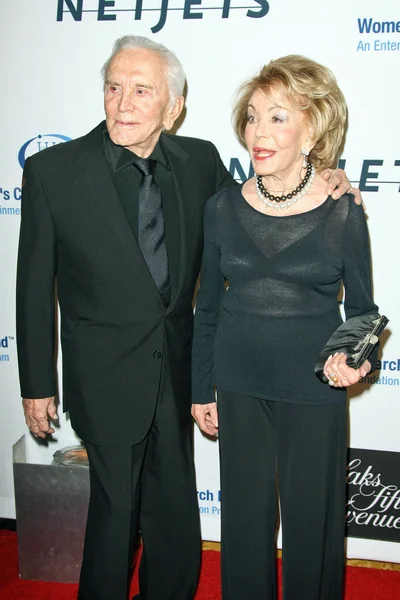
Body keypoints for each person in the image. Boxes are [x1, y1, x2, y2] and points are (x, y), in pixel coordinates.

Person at [16, 34, 357, 600]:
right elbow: (32, 286)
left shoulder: (199, 162)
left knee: (175, 513)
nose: (123, 103)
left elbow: (265, 200)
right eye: (114, 87)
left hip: (177, 376)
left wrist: (330, 178)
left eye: (141, 90)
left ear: (173, 107)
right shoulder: (54, 171)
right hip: (101, 376)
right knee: (116, 513)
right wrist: (36, 384)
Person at [191, 55, 378, 600]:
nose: (258, 132)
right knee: (244, 527)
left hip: (312, 388)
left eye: (277, 117)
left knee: (312, 527)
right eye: (252, 117)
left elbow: (363, 311)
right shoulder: (222, 207)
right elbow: (206, 306)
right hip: (238, 383)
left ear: (313, 127)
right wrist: (203, 387)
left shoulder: (343, 210)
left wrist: (353, 359)